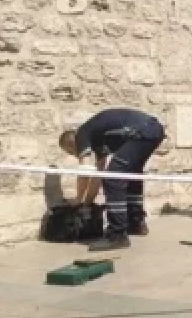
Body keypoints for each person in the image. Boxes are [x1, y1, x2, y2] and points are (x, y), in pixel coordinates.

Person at [58, 108, 166, 252]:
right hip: (153, 130)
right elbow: (98, 175)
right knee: (130, 174)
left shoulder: (82, 134)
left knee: (114, 178)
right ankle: (136, 222)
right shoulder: (99, 141)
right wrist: (87, 203)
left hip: (142, 131)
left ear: (72, 144)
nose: (73, 155)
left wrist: (78, 199)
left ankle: (117, 234)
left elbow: (84, 172)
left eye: (70, 152)